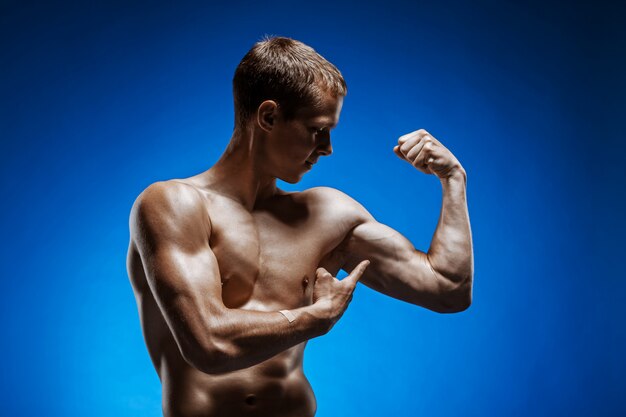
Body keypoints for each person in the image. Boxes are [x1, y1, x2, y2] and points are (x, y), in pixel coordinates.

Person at [126, 36, 474, 417]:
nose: (327, 147)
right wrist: (314, 318)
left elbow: (448, 289)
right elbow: (210, 345)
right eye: (316, 129)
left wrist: (453, 180)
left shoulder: (326, 214)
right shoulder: (174, 205)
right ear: (269, 117)